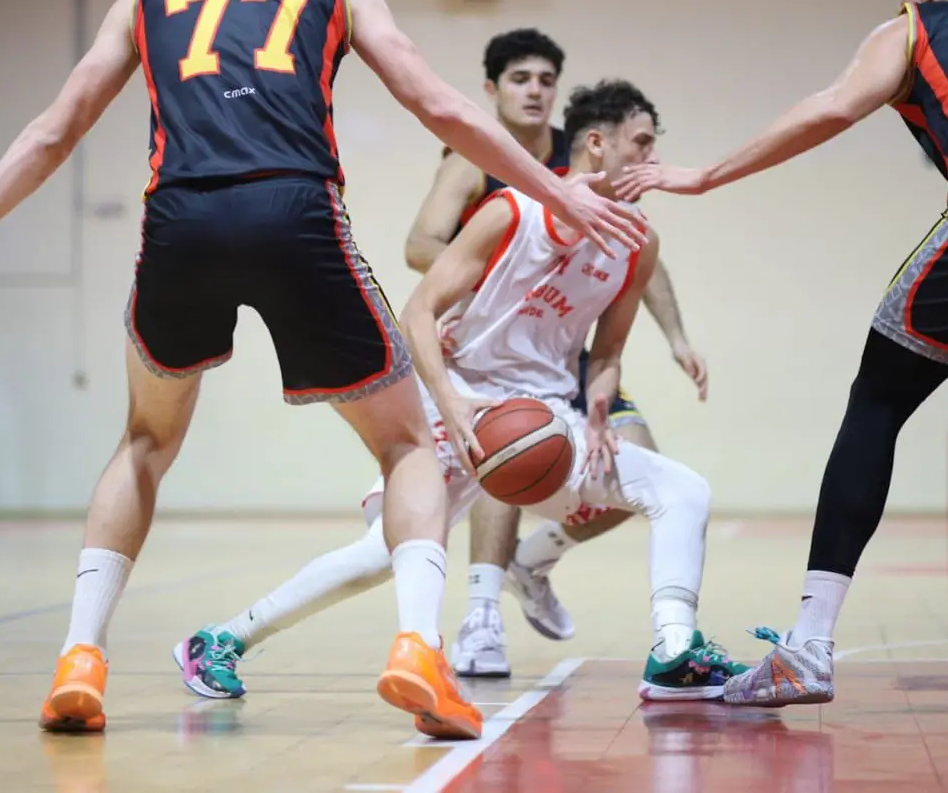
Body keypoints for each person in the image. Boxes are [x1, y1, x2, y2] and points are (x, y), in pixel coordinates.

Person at [0, 0, 646, 739]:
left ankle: (80, 658)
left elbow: (55, 131)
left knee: (142, 441)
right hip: (294, 211)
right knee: (409, 446)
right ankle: (417, 648)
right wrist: (553, 182)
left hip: (180, 219)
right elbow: (440, 105)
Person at [174, 80, 745, 703]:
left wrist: (601, 407)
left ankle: (672, 650)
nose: (653, 162)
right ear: (596, 144)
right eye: (641, 145)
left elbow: (605, 353)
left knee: (681, 490)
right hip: (461, 400)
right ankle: (222, 639)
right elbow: (418, 312)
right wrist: (449, 404)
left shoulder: (637, 242)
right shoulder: (513, 211)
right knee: (382, 554)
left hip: (543, 415)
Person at [613, 0, 948, 707]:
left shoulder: (916, 29)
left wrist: (703, 175)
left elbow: (833, 107)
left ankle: (808, 645)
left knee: (875, 404)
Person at [405, 36, 708, 677]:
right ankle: (482, 612)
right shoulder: (477, 161)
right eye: (520, 79)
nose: (536, 90)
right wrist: (496, 285)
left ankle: (531, 561)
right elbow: (420, 245)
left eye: (547, 78)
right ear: (492, 91)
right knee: (514, 447)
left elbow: (636, 259)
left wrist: (676, 335)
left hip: (568, 347)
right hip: (497, 348)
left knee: (637, 462)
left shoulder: (589, 158)